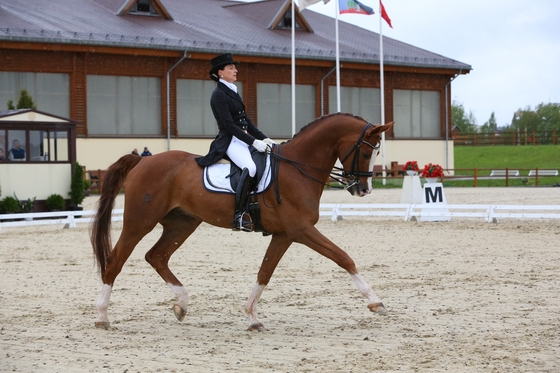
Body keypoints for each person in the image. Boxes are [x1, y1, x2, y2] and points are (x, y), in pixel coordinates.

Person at [195, 53, 275, 232]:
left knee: (267, 164)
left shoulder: (232, 90)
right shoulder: (218, 94)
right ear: (221, 72)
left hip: (243, 139)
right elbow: (229, 125)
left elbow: (245, 121)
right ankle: (238, 215)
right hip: (230, 140)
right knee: (251, 168)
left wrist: (264, 138)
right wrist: (254, 142)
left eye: (234, 67)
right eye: (231, 68)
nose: (235, 70)